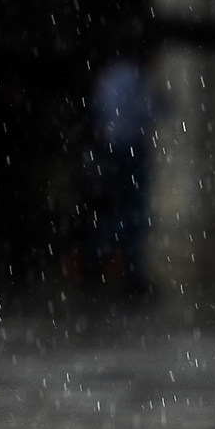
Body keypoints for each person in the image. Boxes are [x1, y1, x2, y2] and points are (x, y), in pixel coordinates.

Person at [85, 40, 157, 295]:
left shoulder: (110, 74)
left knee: (116, 208)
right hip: (128, 147)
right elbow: (144, 109)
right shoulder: (133, 76)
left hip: (112, 146)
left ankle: (100, 261)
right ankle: (128, 269)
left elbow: (101, 110)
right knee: (131, 210)